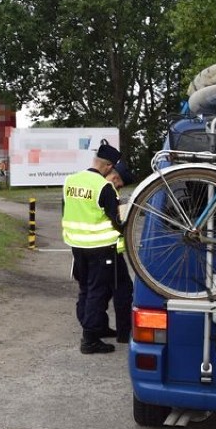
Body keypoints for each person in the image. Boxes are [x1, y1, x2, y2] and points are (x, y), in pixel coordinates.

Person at [62, 141, 123, 354]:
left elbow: (66, 210)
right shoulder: (104, 187)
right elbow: (116, 219)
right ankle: (89, 339)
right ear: (108, 167)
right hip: (100, 247)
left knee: (85, 288)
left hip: (76, 245)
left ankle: (94, 326)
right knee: (99, 291)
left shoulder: (70, 181)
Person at [105, 161, 135, 344]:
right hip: (110, 250)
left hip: (92, 249)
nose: (120, 188)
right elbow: (117, 221)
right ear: (116, 178)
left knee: (96, 290)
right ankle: (124, 333)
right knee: (123, 290)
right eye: (120, 184)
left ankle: (95, 328)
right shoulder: (109, 191)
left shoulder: (94, 188)